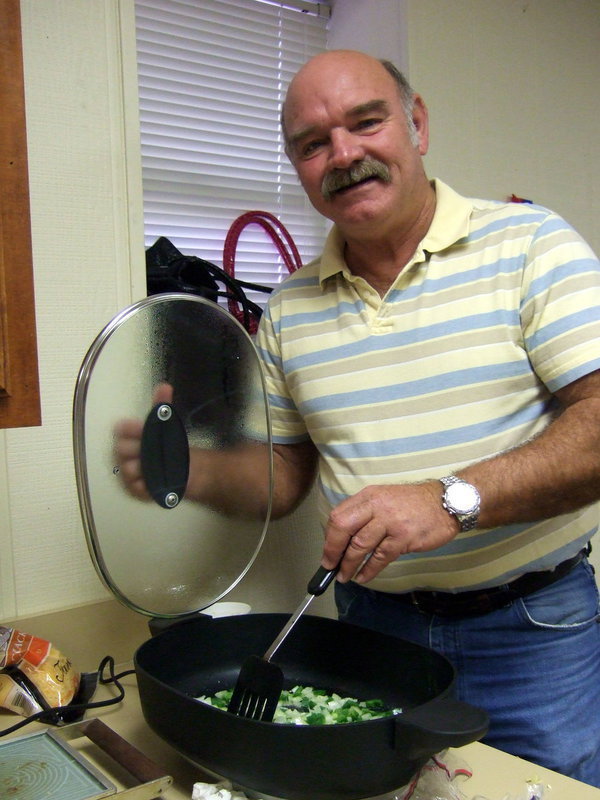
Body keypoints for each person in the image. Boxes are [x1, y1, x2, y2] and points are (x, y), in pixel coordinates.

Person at [116, 49, 600, 786]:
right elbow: (284, 477)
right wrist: (192, 465)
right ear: (299, 167)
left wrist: (449, 502)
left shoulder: (531, 247)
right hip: (373, 636)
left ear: (417, 124)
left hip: (531, 633)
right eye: (312, 144)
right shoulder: (288, 310)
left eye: (365, 122)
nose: (343, 155)